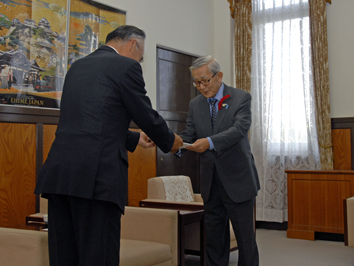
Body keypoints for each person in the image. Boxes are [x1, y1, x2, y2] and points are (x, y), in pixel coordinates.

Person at [34, 25, 183, 266]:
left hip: (59, 176)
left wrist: (134, 139)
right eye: (141, 56)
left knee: (65, 257)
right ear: (133, 44)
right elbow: (145, 113)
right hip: (96, 179)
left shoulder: (77, 67)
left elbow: (91, 119)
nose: (139, 61)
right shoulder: (126, 66)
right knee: (98, 255)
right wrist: (171, 142)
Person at [178, 55, 260, 266]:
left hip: (238, 180)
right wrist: (172, 144)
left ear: (219, 76)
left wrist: (210, 142)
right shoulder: (196, 104)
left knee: (245, 240)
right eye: (197, 82)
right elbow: (189, 134)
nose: (202, 87)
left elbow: (239, 129)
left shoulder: (241, 97)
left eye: (205, 80)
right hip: (211, 182)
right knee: (214, 240)